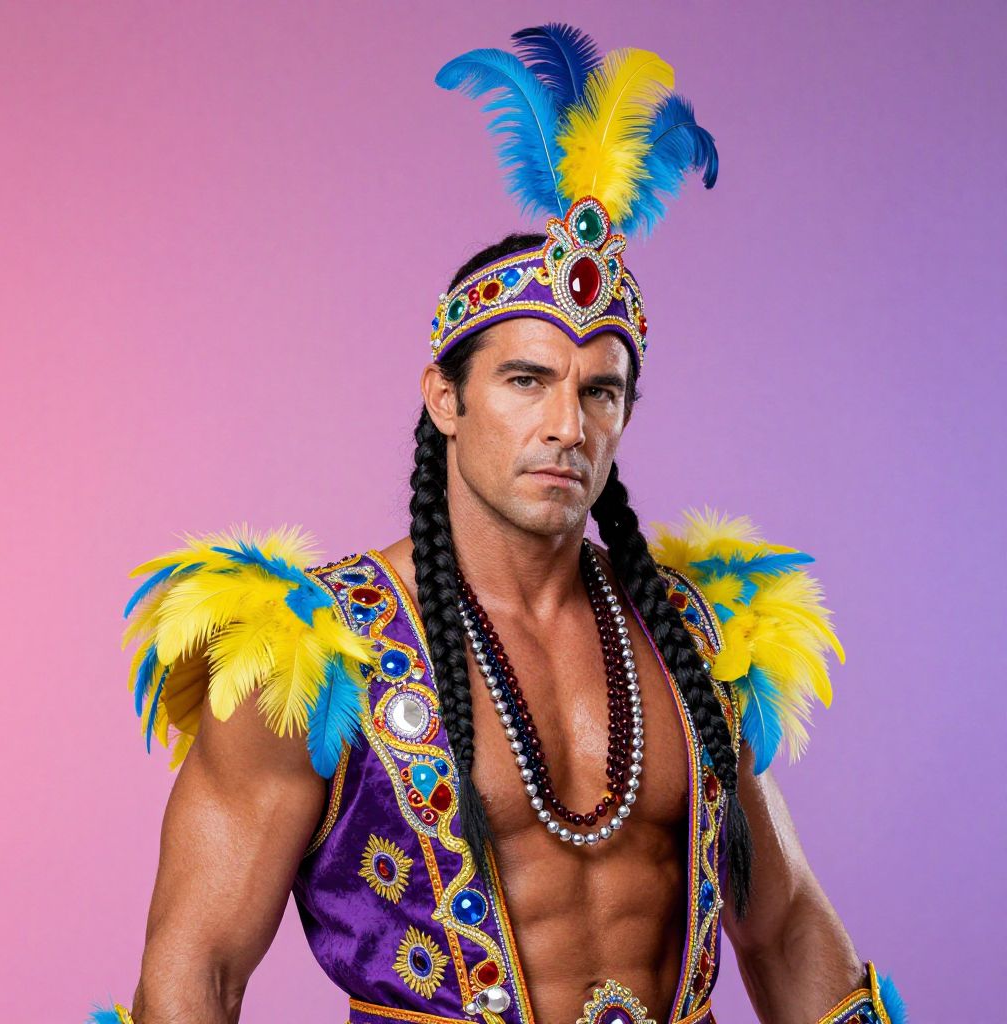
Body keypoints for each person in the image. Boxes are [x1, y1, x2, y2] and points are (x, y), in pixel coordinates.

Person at [88, 24, 907, 1024]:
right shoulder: (313, 654)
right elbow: (196, 971)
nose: (566, 424)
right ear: (444, 398)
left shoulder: (696, 638)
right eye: (526, 380)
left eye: (598, 391)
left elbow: (780, 931)